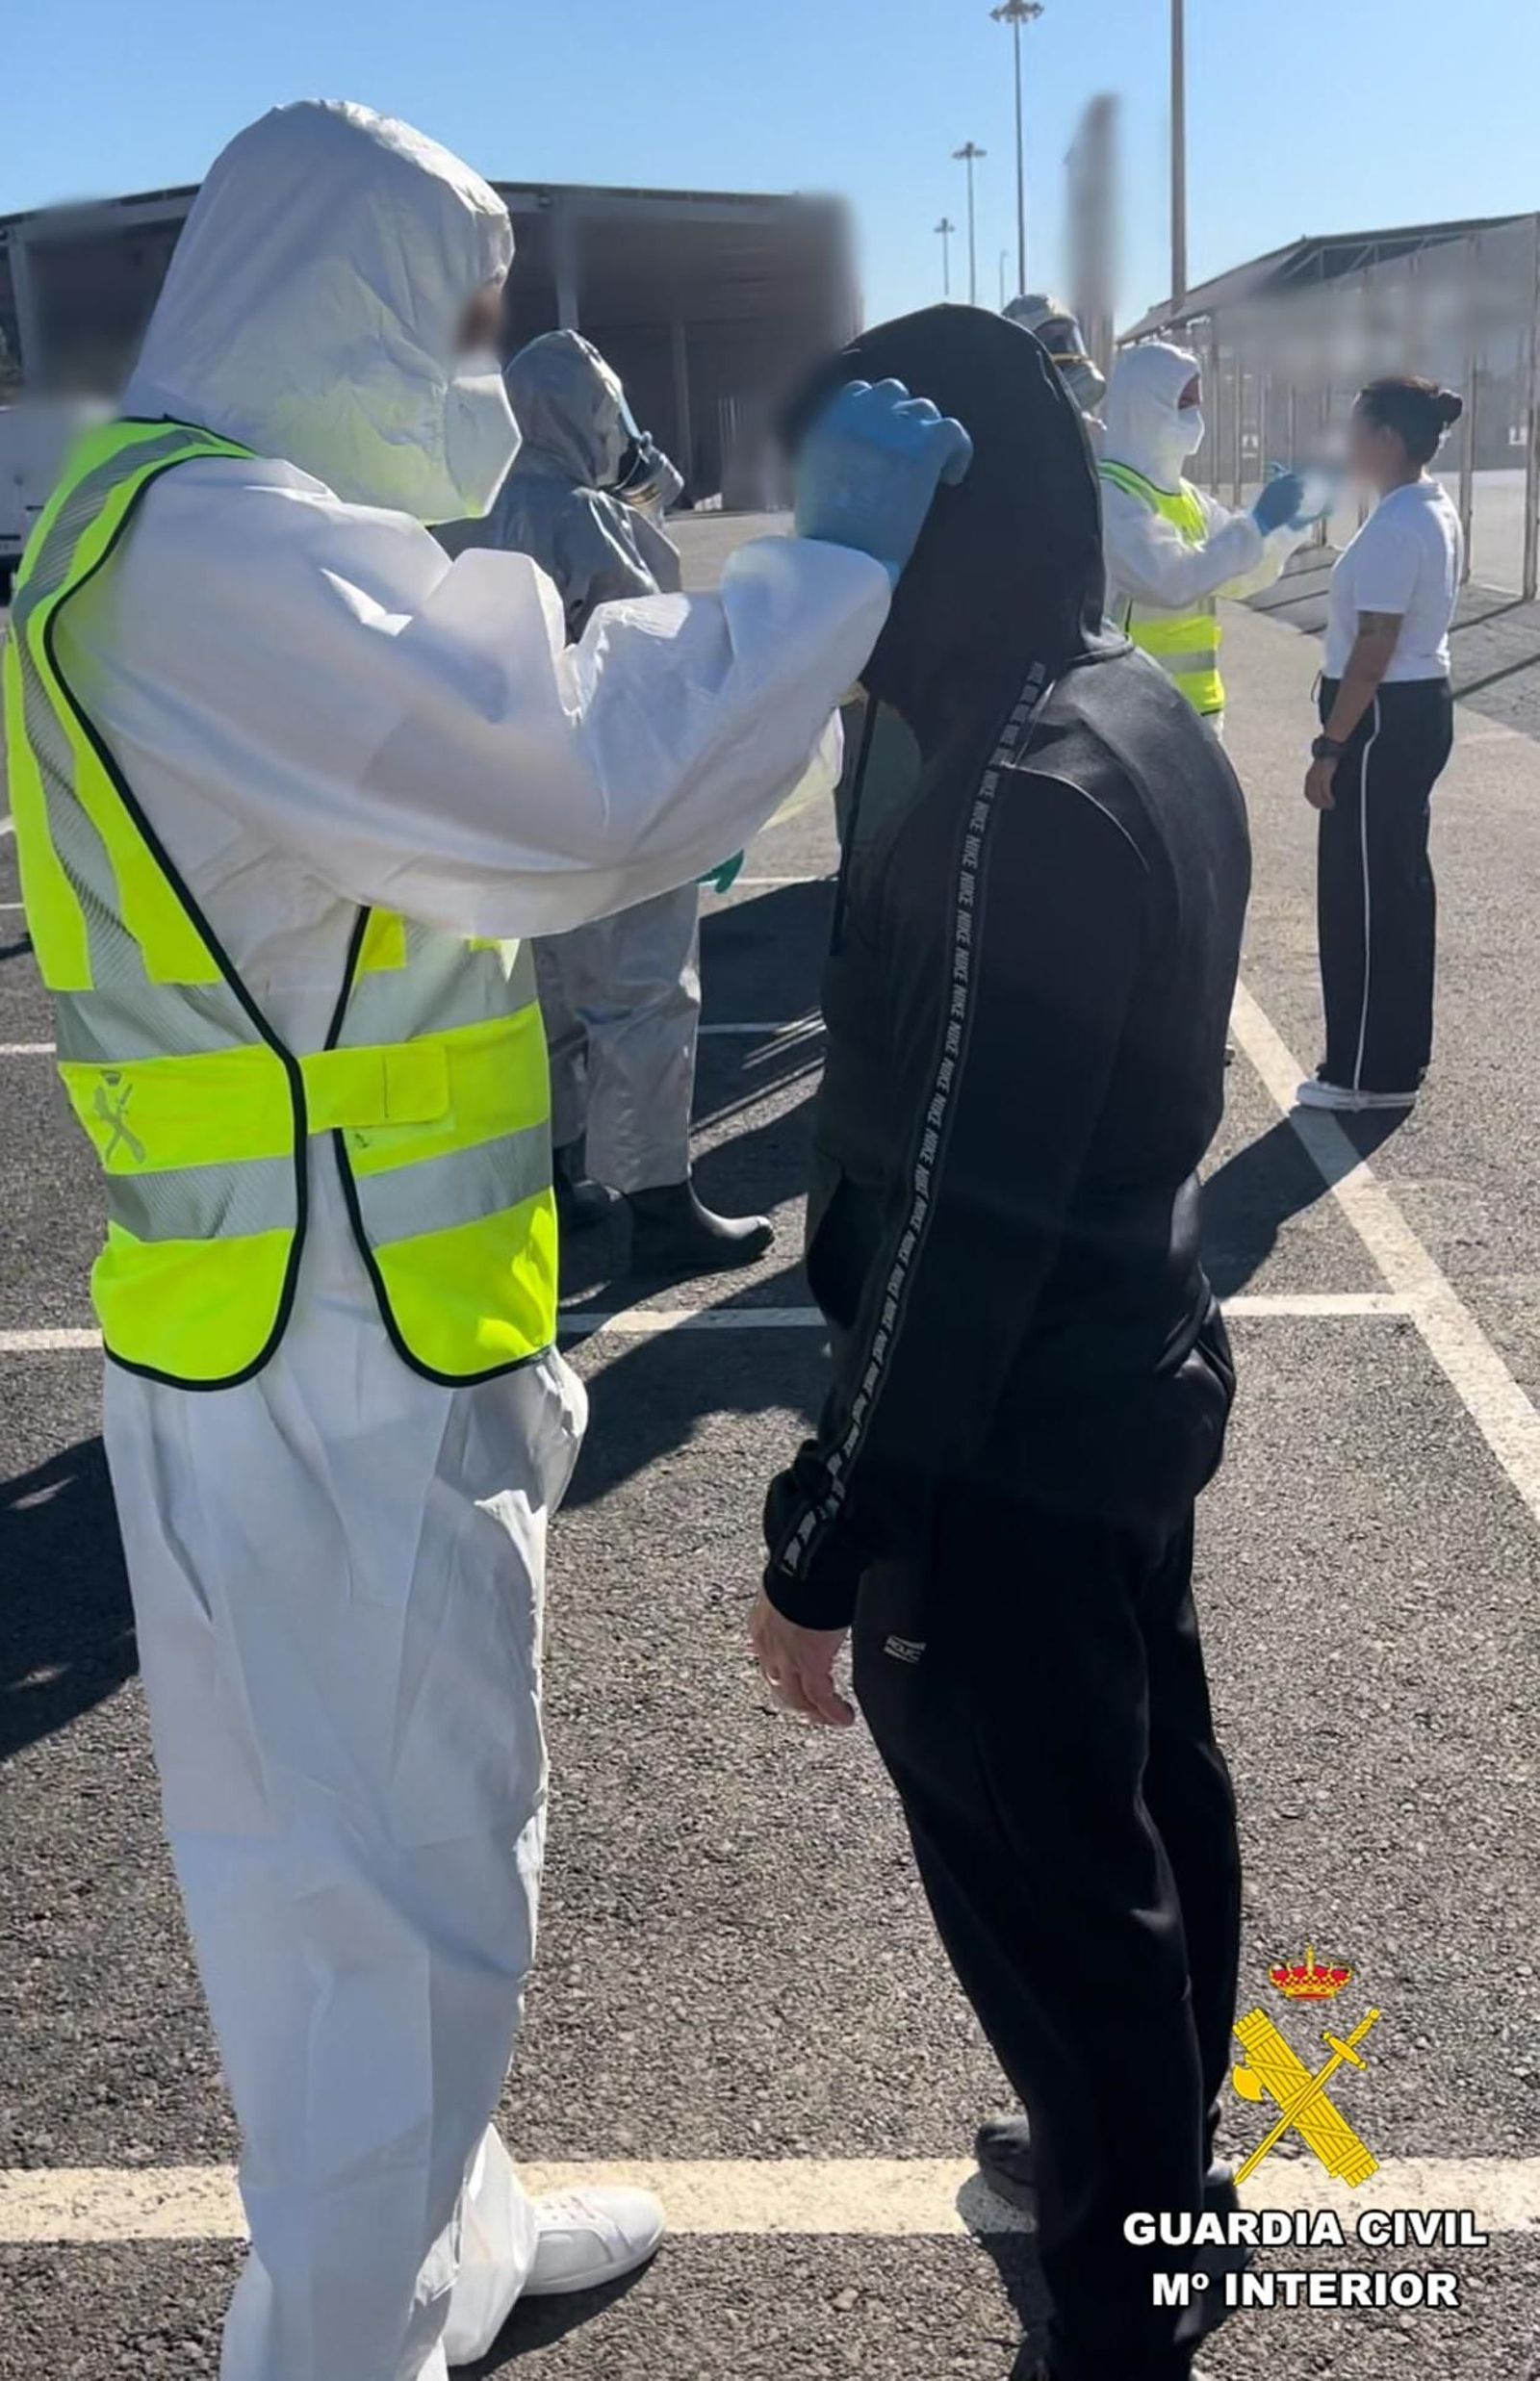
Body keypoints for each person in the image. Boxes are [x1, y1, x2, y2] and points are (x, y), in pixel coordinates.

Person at [2, 100, 969, 2381]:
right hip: (344, 1342)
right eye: (461, 305)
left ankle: (430, 2243)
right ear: (336, 290)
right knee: (403, 1896)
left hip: (244, 1317)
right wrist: (821, 576)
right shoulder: (236, 553)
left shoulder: (120, 527)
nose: (492, 355)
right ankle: (339, 2341)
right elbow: (573, 789)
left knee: (318, 1878)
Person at [751, 305, 1249, 2381]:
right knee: (1148, 1795)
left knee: (1054, 1894)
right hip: (1124, 1379)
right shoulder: (1121, 705)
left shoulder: (1005, 798)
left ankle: (1122, 2287)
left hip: (1008, 1454)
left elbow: (952, 1232)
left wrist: (821, 1533)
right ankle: (1147, 2164)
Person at [461, 328, 771, 1268]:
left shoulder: (470, 514)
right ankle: (659, 1204)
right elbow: (660, 662)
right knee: (643, 998)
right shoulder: (593, 520)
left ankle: (558, 1174)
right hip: (612, 797)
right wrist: (703, 804)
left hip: (508, 806)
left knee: (545, 996)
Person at [1297, 375, 1464, 1114]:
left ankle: (1366, 1073)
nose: (1349, 442)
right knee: (1396, 884)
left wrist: (1331, 746)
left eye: (1357, 428)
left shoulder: (1398, 525)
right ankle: (1396, 1054)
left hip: (1381, 717)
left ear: (1389, 439)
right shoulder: (1427, 506)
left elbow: (1375, 643)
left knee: (1362, 893)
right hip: (1411, 708)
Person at [1099, 340, 1306, 733]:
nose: (1195, 416)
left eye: (1197, 404)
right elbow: (1169, 579)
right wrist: (1256, 524)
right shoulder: (1113, 495)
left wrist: (1285, 530)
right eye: (1183, 404)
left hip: (1199, 709)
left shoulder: (1189, 497)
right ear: (1145, 407)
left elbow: (1236, 577)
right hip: (1133, 711)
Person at [1002, 292, 1106, 424]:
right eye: (1049, 339)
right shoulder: (997, 421)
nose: (1063, 348)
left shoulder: (1083, 425)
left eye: (1066, 338)